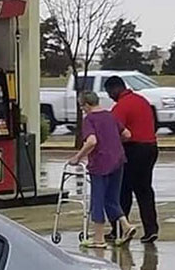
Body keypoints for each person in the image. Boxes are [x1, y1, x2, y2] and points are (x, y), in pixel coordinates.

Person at [68, 91, 136, 249]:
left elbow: (91, 141)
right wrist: (112, 141)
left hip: (100, 163)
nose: (82, 109)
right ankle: (126, 226)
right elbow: (127, 134)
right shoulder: (110, 116)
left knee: (97, 200)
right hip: (118, 160)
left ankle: (98, 239)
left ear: (86, 104)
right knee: (112, 199)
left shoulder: (89, 119)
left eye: (81, 106)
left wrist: (77, 157)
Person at [105, 75, 159, 243]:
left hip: (133, 149)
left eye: (109, 92)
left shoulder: (121, 107)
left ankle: (119, 229)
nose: (109, 96)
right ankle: (151, 229)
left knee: (123, 191)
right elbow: (154, 123)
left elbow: (115, 133)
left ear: (116, 89)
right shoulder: (142, 100)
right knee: (144, 190)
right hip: (151, 147)